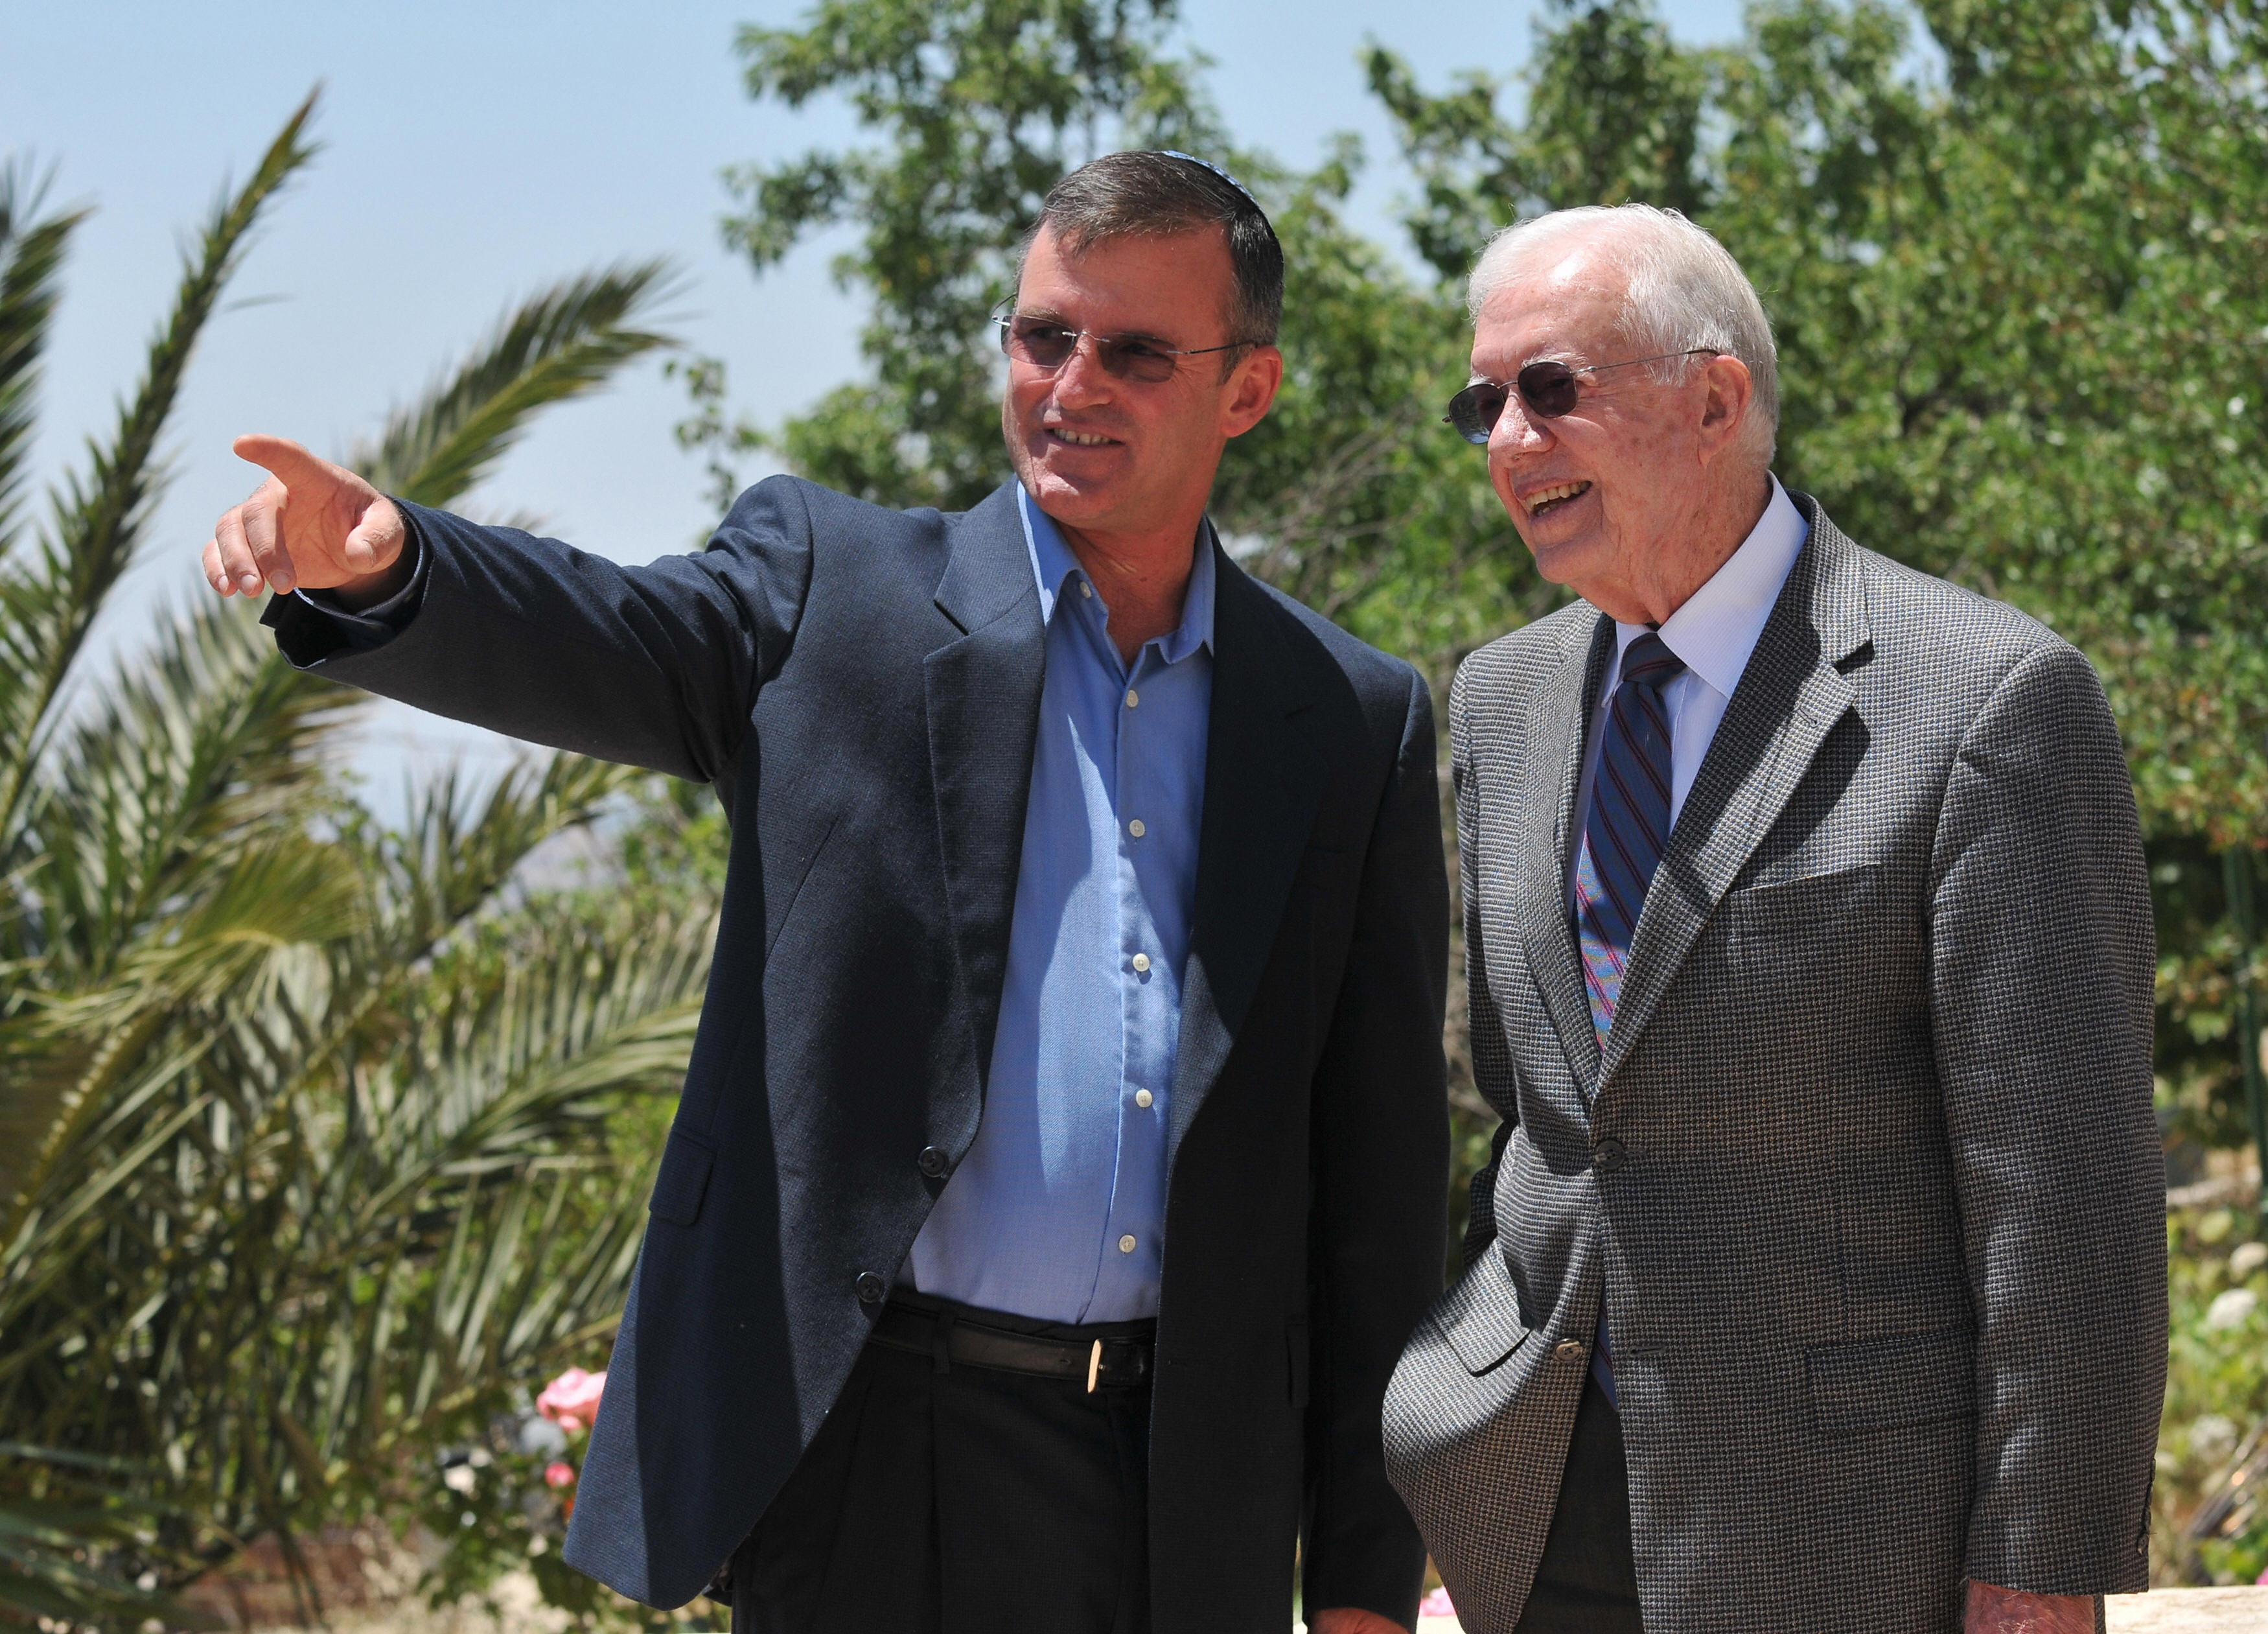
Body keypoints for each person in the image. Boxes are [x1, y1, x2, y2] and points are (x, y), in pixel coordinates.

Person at [202, 153, 1448, 1634]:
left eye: (1133, 352)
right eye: (1043, 336)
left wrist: (1368, 1576)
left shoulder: (1348, 715)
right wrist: (397, 569)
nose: (1070, 385)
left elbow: (1377, 1185)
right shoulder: (832, 591)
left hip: (1184, 1495)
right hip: (869, 1455)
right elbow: (616, 634)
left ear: (1246, 390)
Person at [1380, 203, 2165, 1634]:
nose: (1504, 440)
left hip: (1855, 1538)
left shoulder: (1989, 698)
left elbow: (2068, 1197)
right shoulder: (1496, 703)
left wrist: (2045, 1564)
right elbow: (1546, 1117)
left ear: (1714, 397)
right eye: (1480, 403)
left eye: (1550, 389)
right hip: (1542, 1518)